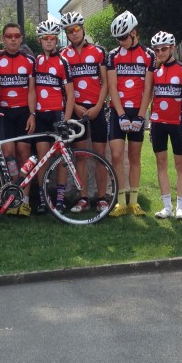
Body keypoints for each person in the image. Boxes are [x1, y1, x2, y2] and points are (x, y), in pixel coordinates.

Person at [59, 12, 110, 214]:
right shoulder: (63, 55)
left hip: (96, 108)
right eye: (69, 31)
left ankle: (101, 198)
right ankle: (83, 198)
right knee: (80, 155)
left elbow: (105, 82)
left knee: (99, 156)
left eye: (76, 29)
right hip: (76, 109)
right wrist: (75, 108)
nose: (74, 33)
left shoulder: (98, 51)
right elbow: (63, 87)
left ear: (83, 28)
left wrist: (99, 106)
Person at [105, 10, 155, 216]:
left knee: (135, 156)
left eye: (124, 37)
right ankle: (120, 201)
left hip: (138, 111)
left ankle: (133, 201)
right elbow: (112, 87)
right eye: (118, 38)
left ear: (134, 33)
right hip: (119, 112)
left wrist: (141, 116)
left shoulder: (148, 55)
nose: (121, 41)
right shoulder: (113, 55)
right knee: (117, 155)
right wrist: (122, 114)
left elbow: (148, 89)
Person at [0, 22, 37, 216]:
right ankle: (13, 196)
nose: (13, 39)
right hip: (4, 113)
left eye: (17, 36)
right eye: (9, 36)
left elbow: (32, 90)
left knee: (24, 155)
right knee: (8, 156)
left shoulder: (29, 61)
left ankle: (24, 200)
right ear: (3, 38)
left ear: (21, 38)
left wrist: (33, 114)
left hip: (24, 112)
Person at [33, 19, 75, 212]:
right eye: (45, 38)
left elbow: (71, 95)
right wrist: (33, 113)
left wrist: (65, 121)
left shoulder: (63, 62)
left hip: (57, 114)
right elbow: (32, 90)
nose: (49, 41)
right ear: (40, 40)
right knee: (42, 158)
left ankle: (59, 199)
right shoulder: (36, 61)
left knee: (61, 158)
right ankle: (43, 199)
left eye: (52, 38)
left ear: (56, 40)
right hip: (41, 115)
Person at [148, 31, 182, 220]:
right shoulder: (154, 71)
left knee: (180, 164)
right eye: (157, 49)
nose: (160, 52)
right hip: (157, 123)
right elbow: (149, 95)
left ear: (172, 48)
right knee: (161, 163)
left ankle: (180, 207)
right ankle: (167, 206)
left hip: (177, 123)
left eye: (164, 49)